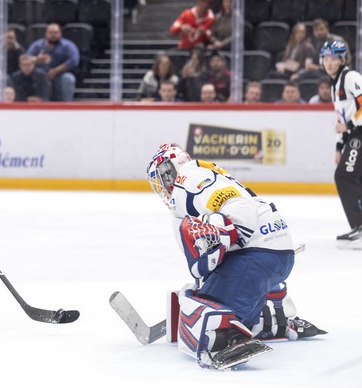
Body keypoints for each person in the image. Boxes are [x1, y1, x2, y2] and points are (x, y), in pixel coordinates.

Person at [146, 143, 326, 369]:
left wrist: (223, 233)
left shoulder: (187, 180)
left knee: (206, 307)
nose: (161, 188)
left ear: (171, 169)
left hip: (258, 254)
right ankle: (276, 319)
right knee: (204, 293)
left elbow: (238, 209)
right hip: (275, 252)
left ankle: (232, 338)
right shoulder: (202, 174)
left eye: (161, 179)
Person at [319, 40, 362, 249]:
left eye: (334, 58)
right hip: (355, 133)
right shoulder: (335, 84)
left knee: (345, 176)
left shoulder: (350, 77)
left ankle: (359, 225)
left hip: (359, 132)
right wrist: (339, 146)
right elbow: (341, 118)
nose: (329, 62)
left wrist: (350, 125)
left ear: (343, 60)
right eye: (326, 58)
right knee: (352, 176)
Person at [27, 23, 79, 101]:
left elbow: (74, 60)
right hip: (40, 76)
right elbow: (26, 59)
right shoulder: (37, 45)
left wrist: (56, 70)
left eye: (56, 33)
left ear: (60, 34)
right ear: (46, 34)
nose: (53, 35)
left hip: (60, 76)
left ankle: (67, 106)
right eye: (50, 33)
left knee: (68, 79)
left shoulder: (68, 45)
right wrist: (36, 60)